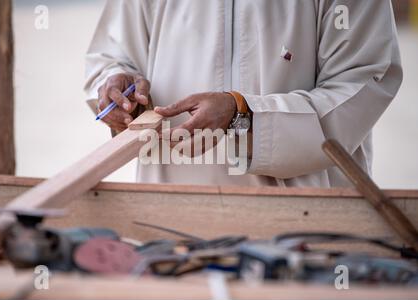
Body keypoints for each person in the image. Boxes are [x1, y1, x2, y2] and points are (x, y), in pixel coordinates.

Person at [85, 0, 402, 188]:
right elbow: (111, 56)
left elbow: (360, 87)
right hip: (165, 223)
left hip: (302, 232)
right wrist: (116, 89)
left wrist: (243, 115)